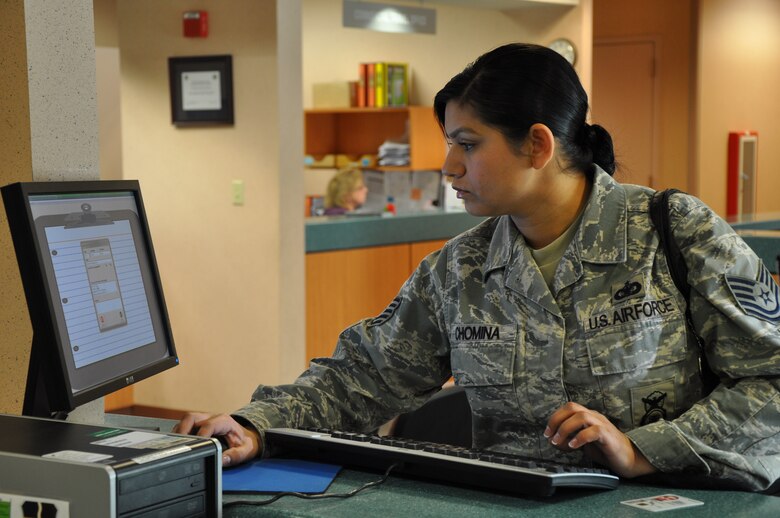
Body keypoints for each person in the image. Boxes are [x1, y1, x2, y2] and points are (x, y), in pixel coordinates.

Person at [175, 43, 779, 492]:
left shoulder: (673, 232)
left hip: (671, 499)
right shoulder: (459, 270)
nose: (448, 167)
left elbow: (771, 382)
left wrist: (644, 449)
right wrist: (256, 423)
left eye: (467, 144)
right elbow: (361, 377)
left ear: (538, 146)